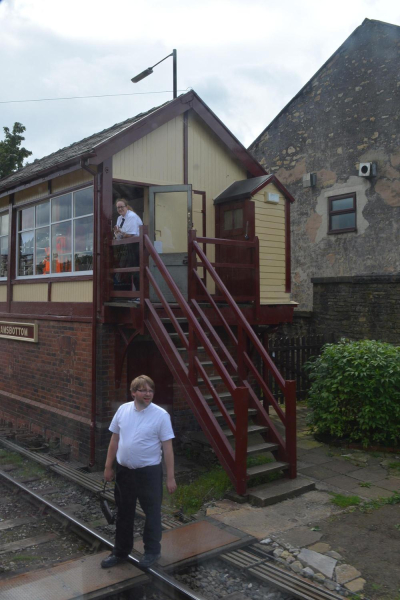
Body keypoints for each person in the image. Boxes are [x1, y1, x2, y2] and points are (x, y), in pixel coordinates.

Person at [101, 375, 177, 570]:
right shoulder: (122, 410)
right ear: (133, 392)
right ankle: (120, 552)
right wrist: (108, 466)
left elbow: (167, 448)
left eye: (150, 390)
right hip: (124, 472)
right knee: (124, 513)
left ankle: (152, 552)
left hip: (149, 474)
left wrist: (170, 477)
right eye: (143, 390)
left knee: (152, 513)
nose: (148, 394)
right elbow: (114, 440)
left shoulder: (161, 416)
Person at [113, 199, 143, 291]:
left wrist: (119, 234)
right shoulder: (119, 218)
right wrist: (118, 234)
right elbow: (118, 233)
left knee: (135, 269)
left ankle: (139, 293)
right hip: (126, 246)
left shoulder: (132, 216)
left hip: (136, 245)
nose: (120, 209)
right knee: (129, 269)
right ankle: (134, 293)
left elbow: (131, 234)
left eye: (122, 207)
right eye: (118, 207)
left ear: (126, 206)